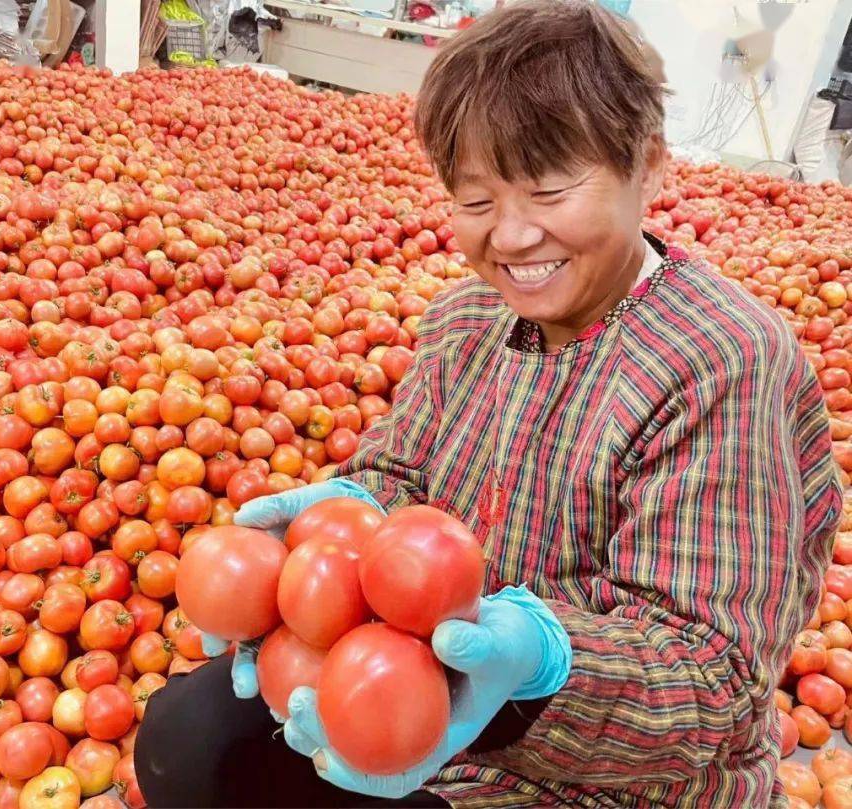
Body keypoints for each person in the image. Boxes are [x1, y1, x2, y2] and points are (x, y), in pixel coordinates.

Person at [135, 1, 843, 806]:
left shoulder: (722, 362)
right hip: (422, 693)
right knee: (188, 737)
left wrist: (544, 659)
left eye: (547, 189)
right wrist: (350, 512)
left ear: (647, 165)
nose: (509, 237)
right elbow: (399, 477)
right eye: (475, 202)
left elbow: (708, 679)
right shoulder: (465, 321)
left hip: (615, 776)